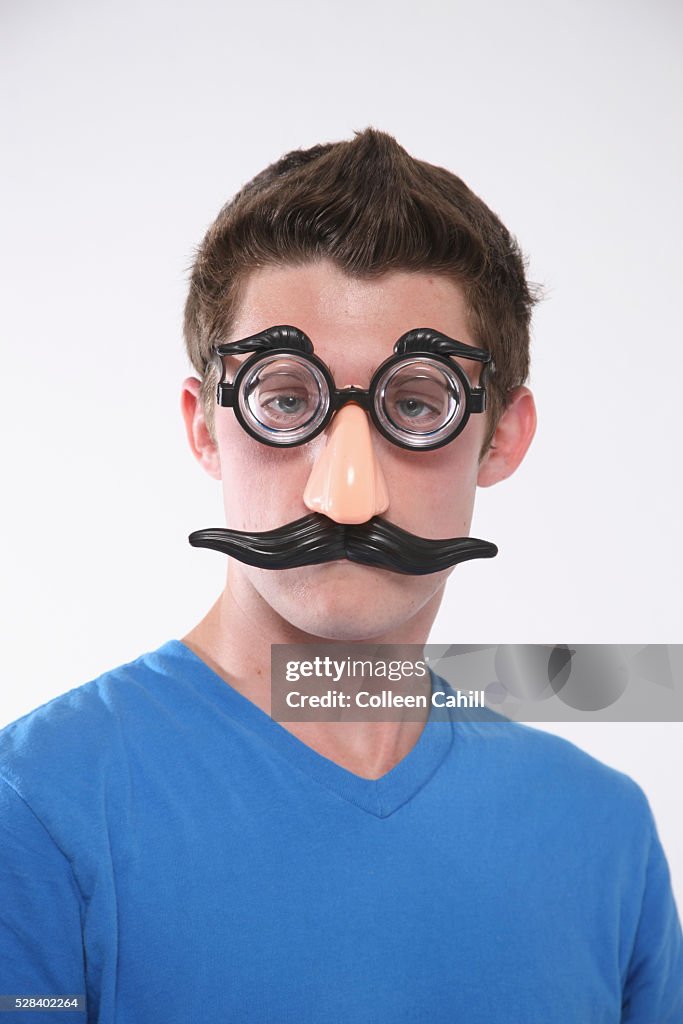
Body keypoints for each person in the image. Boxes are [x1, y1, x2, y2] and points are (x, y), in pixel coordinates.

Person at [1, 129, 681, 1023]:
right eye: (285, 401)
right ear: (204, 426)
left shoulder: (603, 833)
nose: (347, 493)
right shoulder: (35, 813)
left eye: (415, 404)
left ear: (502, 436)